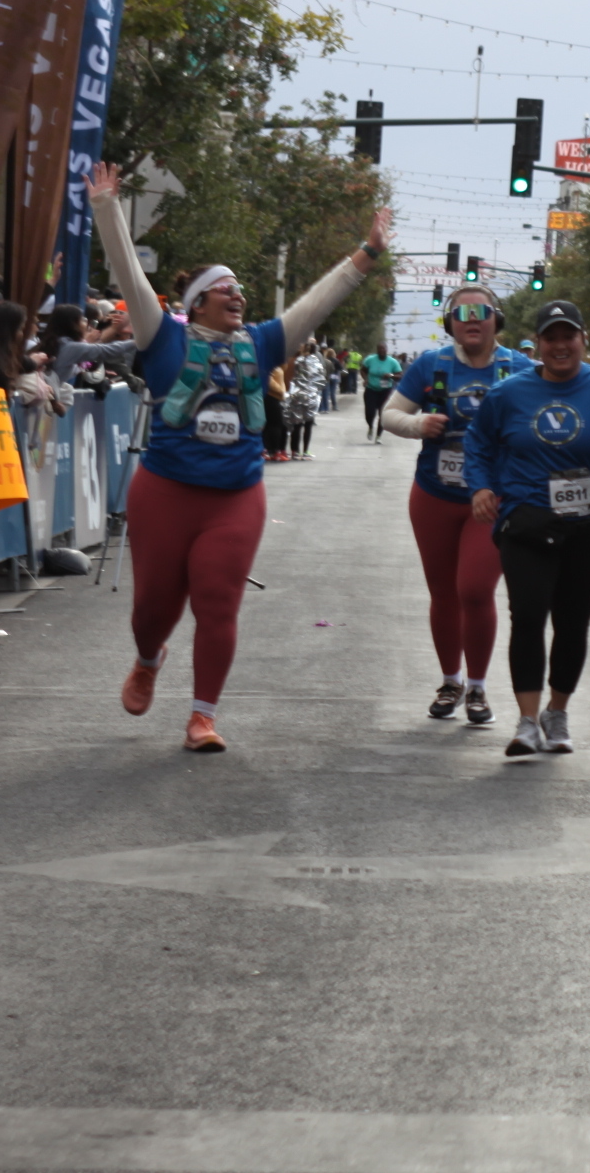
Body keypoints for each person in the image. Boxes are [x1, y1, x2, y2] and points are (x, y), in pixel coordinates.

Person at [87, 161, 389, 753]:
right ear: (197, 302)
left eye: (241, 291)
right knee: (153, 609)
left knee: (218, 601)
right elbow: (128, 274)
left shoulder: (263, 342)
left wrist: (368, 252)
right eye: (227, 289)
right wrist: (106, 206)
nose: (239, 296)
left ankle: (202, 717)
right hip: (165, 492)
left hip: (235, 497)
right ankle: (148, 658)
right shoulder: (162, 335)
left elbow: (317, 304)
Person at [464, 301, 590, 757]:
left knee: (572, 623)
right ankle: (527, 722)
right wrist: (481, 487)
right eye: (550, 338)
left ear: (582, 339)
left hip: (588, 524)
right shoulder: (509, 394)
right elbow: (478, 443)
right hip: (525, 522)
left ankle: (557, 711)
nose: (559, 346)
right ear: (538, 344)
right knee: (528, 616)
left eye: (567, 336)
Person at [385, 287, 532, 724]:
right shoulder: (431, 366)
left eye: (480, 311)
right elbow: (390, 415)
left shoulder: (520, 369)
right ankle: (451, 682)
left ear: (495, 319)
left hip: (491, 501)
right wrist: (418, 424)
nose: (471, 319)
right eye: (460, 312)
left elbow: (547, 418)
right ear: (449, 322)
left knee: (474, 589)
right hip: (434, 495)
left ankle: (478, 687)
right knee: (443, 592)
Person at [359, 343, 405, 441]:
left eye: (383, 349)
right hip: (371, 389)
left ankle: (378, 436)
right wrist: (366, 379)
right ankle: (370, 426)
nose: (382, 351)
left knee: (383, 414)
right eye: (380, 349)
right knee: (369, 413)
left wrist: (391, 375)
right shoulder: (370, 359)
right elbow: (362, 370)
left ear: (386, 350)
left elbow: (400, 376)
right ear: (377, 350)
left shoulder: (393, 362)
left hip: (385, 391)